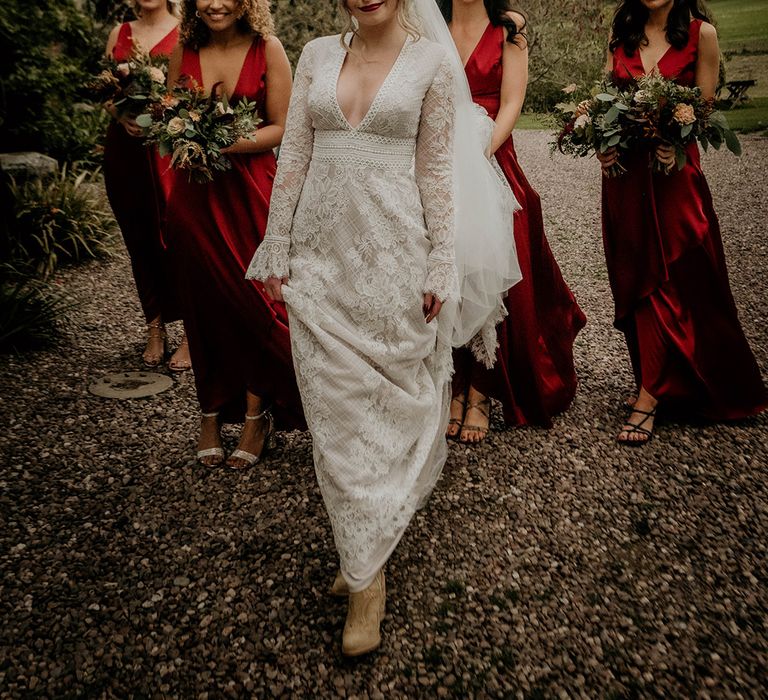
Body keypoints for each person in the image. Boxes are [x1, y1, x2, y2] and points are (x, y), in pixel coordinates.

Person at [247, 0, 480, 656]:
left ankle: (363, 565)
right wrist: (276, 243)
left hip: (392, 261)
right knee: (334, 420)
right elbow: (292, 158)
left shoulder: (432, 62)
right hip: (321, 264)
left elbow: (436, 173)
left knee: (386, 416)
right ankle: (366, 571)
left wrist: (440, 262)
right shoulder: (318, 54)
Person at [598, 0, 767, 443]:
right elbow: (606, 109)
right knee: (637, 275)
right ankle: (655, 379)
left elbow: (704, 112)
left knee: (680, 275)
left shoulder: (702, 35)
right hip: (625, 177)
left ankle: (652, 393)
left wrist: (676, 142)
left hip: (674, 176)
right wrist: (602, 145)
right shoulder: (620, 36)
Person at [165, 0, 304, 468]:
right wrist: (184, 139)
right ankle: (208, 412)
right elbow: (170, 123)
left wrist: (220, 141)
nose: (215, 3)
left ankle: (254, 411)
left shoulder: (269, 49)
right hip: (194, 199)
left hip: (249, 195)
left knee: (254, 306)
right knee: (202, 305)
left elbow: (281, 127)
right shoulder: (182, 51)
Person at [440, 0, 586, 441]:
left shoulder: (509, 26)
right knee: (449, 270)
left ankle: (482, 390)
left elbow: (513, 101)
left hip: (491, 154)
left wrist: (478, 153)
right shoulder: (429, 23)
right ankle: (454, 386)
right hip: (438, 159)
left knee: (490, 266)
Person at [104, 0, 191, 371]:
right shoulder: (119, 33)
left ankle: (193, 331)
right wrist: (121, 112)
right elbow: (107, 91)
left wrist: (161, 115)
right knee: (138, 237)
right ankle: (154, 326)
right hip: (125, 150)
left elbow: (193, 90)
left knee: (178, 237)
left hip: (167, 152)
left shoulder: (188, 30)